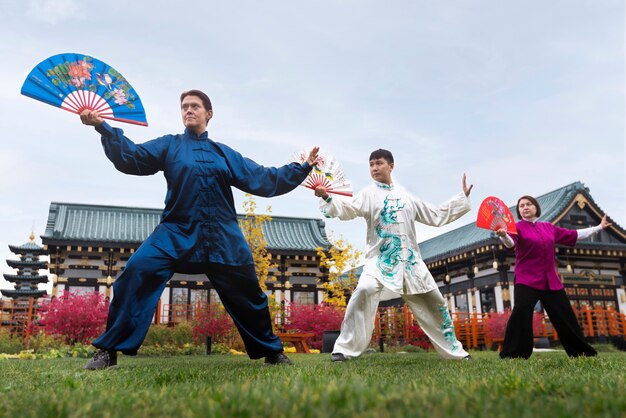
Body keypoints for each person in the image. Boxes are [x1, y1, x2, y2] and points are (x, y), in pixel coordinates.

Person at [79, 89, 319, 369]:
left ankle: (272, 352)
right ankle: (108, 351)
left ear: (209, 114)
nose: (188, 110)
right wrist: (102, 127)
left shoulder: (223, 153)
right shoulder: (169, 145)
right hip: (175, 230)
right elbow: (133, 157)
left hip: (222, 235)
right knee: (136, 271)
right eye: (184, 107)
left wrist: (302, 168)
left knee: (249, 293)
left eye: (194, 106)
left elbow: (262, 178)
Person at [314, 149, 473, 362]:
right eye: (371, 164)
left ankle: (456, 353)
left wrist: (461, 198)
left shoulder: (407, 196)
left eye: (379, 163)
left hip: (411, 262)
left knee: (434, 302)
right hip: (379, 260)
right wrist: (326, 196)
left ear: (391, 166)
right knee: (364, 289)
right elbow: (348, 208)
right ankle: (344, 349)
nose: (374, 168)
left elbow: (436, 215)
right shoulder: (368, 194)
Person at [495, 195, 610, 359]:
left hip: (551, 281)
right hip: (526, 280)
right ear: (519, 211)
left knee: (565, 315)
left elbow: (574, 235)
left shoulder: (549, 227)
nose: (525, 208)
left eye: (529, 204)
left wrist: (598, 227)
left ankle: (581, 352)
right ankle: (513, 354)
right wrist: (503, 235)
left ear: (536, 208)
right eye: (521, 206)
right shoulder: (516, 227)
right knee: (521, 313)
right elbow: (510, 244)